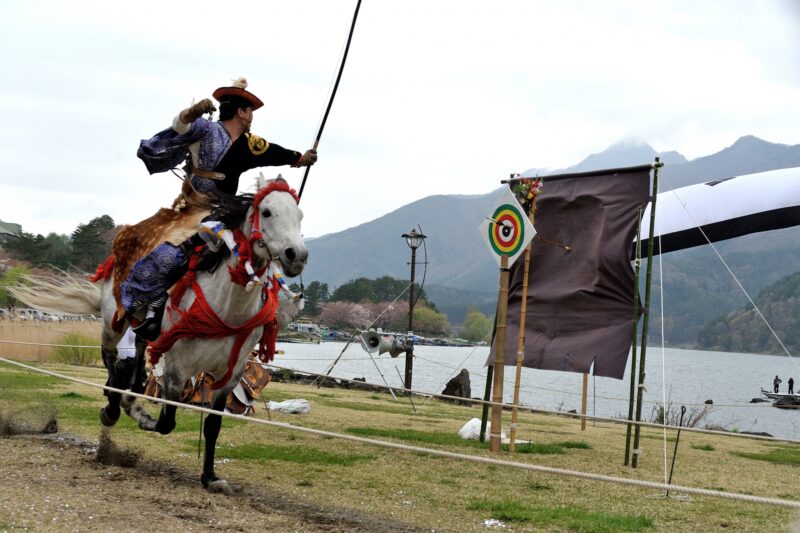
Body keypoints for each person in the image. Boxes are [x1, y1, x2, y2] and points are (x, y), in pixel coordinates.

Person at [122, 77, 317, 341]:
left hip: (226, 213)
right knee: (171, 254)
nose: (251, 118)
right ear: (240, 111)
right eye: (250, 112)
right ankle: (153, 307)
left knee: (257, 248)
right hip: (193, 209)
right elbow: (179, 127)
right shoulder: (204, 129)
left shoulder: (249, 143)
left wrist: (300, 158)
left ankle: (256, 316)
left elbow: (274, 152)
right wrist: (192, 111)